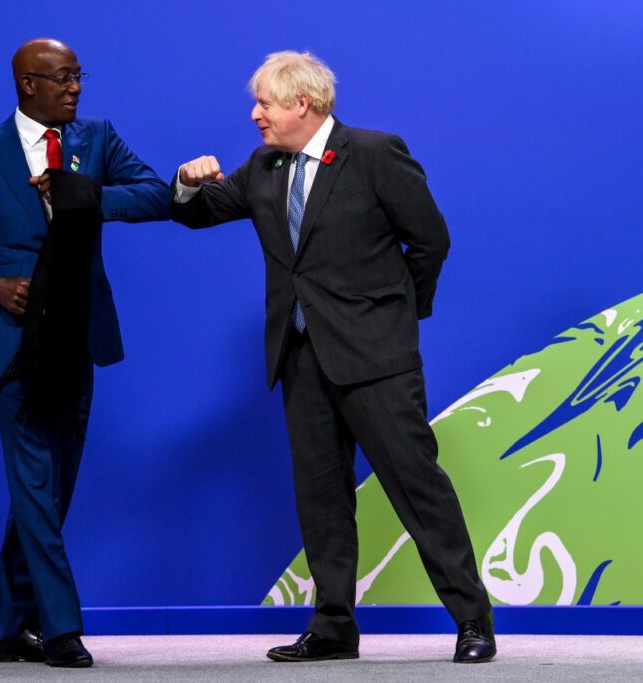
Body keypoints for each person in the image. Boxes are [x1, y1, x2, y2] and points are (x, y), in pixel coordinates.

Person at [171, 51, 496, 664]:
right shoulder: (264, 165)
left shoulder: (375, 153)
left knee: (417, 488)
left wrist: (399, 314)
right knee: (320, 498)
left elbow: (430, 240)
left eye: (265, 102)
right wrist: (188, 184)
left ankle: (473, 620)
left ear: (303, 104)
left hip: (377, 358)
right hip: (300, 358)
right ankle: (333, 627)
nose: (255, 114)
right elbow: (202, 214)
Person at [0, 38, 169, 668]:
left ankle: (7, 629)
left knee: (52, 488)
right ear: (27, 85)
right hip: (14, 338)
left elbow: (154, 194)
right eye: (61, 79)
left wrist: (78, 195)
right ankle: (59, 627)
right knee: (34, 484)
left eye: (79, 76)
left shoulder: (98, 137)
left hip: (77, 334)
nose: (75, 88)